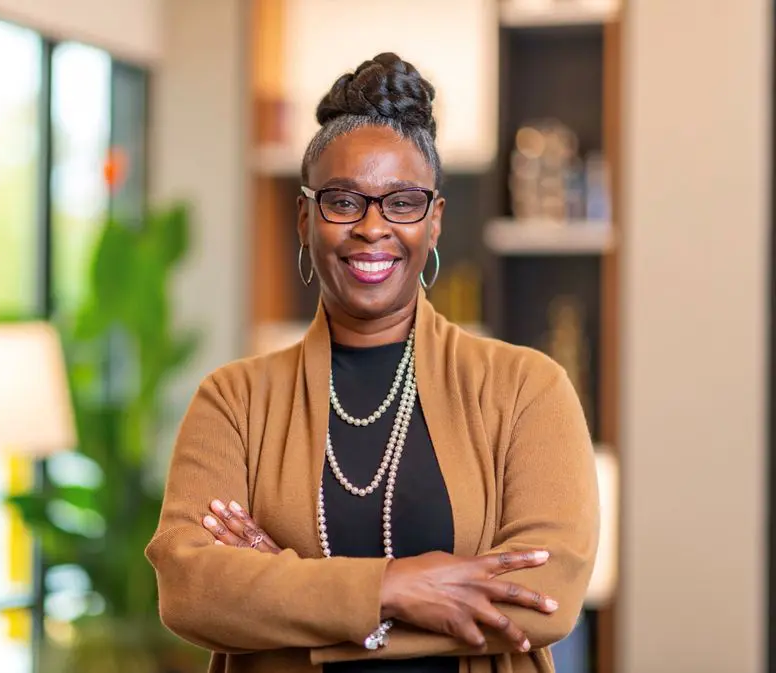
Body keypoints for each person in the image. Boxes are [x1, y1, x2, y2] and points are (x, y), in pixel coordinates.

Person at [145, 53, 599, 673]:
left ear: (434, 221)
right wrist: (396, 586)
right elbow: (190, 589)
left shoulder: (525, 389)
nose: (372, 228)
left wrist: (286, 596)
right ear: (305, 217)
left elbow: (544, 602)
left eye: (403, 202)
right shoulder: (235, 400)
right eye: (343, 201)